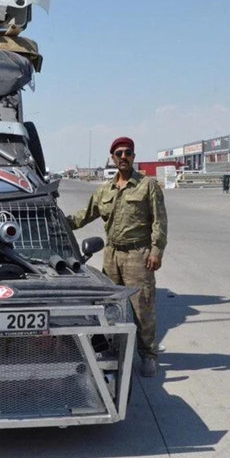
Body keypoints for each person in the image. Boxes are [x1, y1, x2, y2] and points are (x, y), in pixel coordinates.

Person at [68, 137, 168, 378]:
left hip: (138, 254)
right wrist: (60, 222)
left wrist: (156, 251)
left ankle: (148, 355)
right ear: (112, 157)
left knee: (142, 307)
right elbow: (85, 215)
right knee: (109, 306)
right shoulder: (104, 190)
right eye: (119, 153)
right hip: (111, 255)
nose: (124, 157)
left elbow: (159, 221)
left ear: (133, 157)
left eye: (128, 153)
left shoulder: (147, 186)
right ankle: (113, 349)